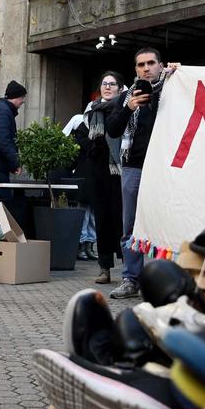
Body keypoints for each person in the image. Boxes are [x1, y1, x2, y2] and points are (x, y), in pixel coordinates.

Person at [106, 48, 174, 299]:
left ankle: (162, 280)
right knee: (131, 226)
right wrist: (129, 108)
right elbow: (112, 130)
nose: (146, 68)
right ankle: (131, 279)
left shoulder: (173, 88)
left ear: (161, 64)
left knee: (165, 223)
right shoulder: (127, 96)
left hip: (164, 167)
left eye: (151, 63)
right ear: (135, 69)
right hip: (133, 166)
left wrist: (181, 73)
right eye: (141, 64)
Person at [80, 72, 126, 285]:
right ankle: (104, 268)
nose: (107, 87)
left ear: (120, 87)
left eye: (112, 84)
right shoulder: (92, 108)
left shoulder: (126, 107)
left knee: (123, 219)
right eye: (104, 83)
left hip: (119, 170)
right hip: (98, 169)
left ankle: (129, 270)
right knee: (102, 219)